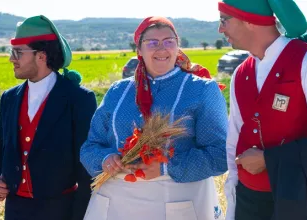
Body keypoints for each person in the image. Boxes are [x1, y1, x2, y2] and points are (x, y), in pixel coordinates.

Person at [80, 16, 228, 220]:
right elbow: (91, 146)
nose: (161, 49)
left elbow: (221, 154)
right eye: (152, 43)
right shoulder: (118, 92)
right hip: (116, 203)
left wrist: (165, 167)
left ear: (178, 47)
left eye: (169, 41)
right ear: (138, 50)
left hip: (178, 202)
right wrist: (106, 159)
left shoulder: (201, 90)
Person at [218, 0, 307, 219]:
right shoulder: (240, 73)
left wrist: (269, 159)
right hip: (248, 201)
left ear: (250, 21)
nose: (220, 29)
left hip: (297, 201)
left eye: (224, 20)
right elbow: (233, 142)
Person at [0, 15, 97, 220]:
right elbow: (1, 149)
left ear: (41, 55)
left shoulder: (79, 99)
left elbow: (86, 169)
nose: (12, 58)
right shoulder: (9, 98)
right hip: (15, 211)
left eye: (18, 52)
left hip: (59, 211)